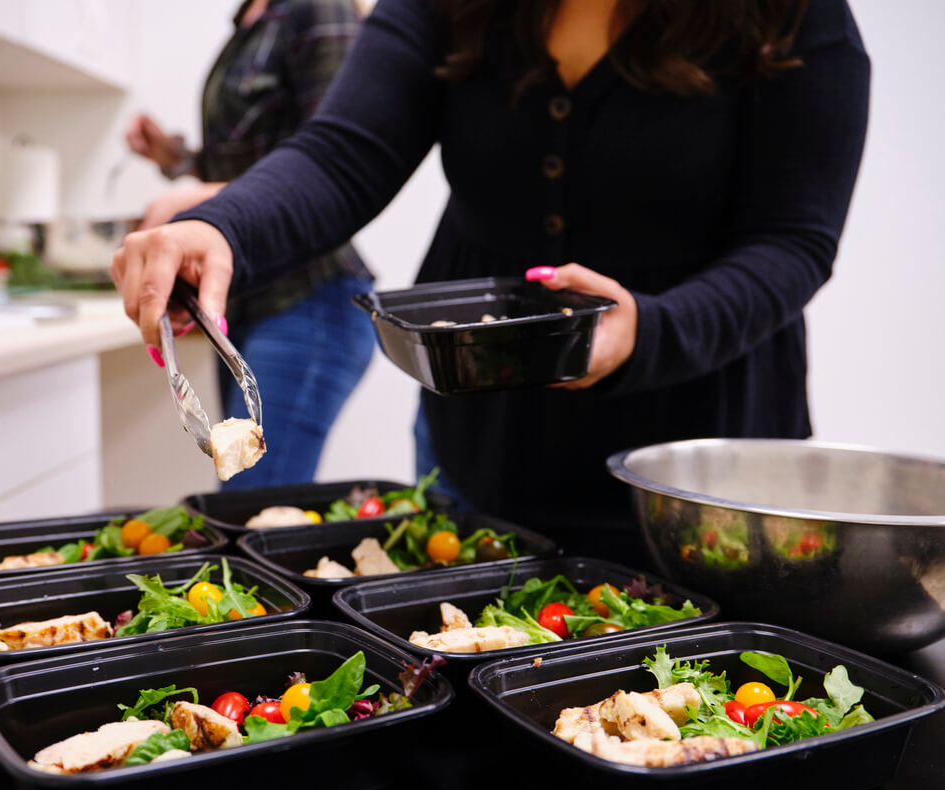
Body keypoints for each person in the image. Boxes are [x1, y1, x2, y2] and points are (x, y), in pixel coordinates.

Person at [112, 0, 870, 562]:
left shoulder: (794, 17)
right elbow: (343, 154)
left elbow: (792, 241)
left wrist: (651, 328)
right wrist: (221, 227)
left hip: (699, 464)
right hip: (483, 439)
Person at [124, 0, 376, 489]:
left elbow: (328, 163)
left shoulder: (318, 9)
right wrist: (175, 158)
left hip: (309, 300)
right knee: (246, 505)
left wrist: (193, 202)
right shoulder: (248, 19)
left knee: (251, 513)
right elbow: (246, 161)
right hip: (254, 304)